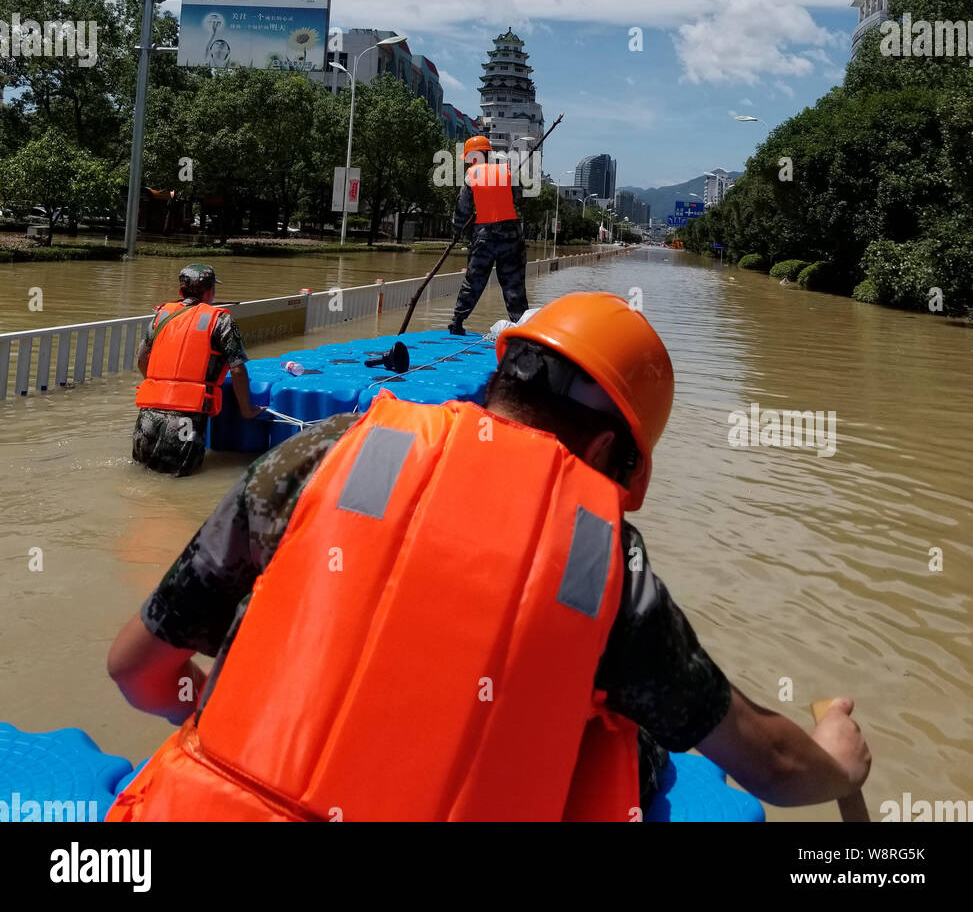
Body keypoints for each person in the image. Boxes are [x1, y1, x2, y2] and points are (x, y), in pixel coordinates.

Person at [106, 291, 870, 822]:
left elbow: (136, 671)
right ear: (610, 450)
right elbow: (769, 765)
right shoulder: (598, 559)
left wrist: (232, 722)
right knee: (619, 737)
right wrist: (838, 758)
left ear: (495, 381)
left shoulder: (324, 454)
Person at [131, 263, 261, 478]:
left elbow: (141, 359)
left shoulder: (161, 316)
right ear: (210, 291)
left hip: (148, 413)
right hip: (186, 416)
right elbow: (237, 370)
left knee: (141, 474)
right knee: (180, 480)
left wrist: (160, 386)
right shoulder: (220, 320)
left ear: (181, 290)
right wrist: (247, 409)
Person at [448, 135, 528, 335]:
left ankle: (457, 321)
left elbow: (462, 210)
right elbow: (519, 198)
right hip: (511, 235)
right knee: (514, 285)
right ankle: (523, 328)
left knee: (474, 280)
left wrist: (457, 232)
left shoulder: (471, 175)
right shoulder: (508, 171)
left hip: (484, 236)